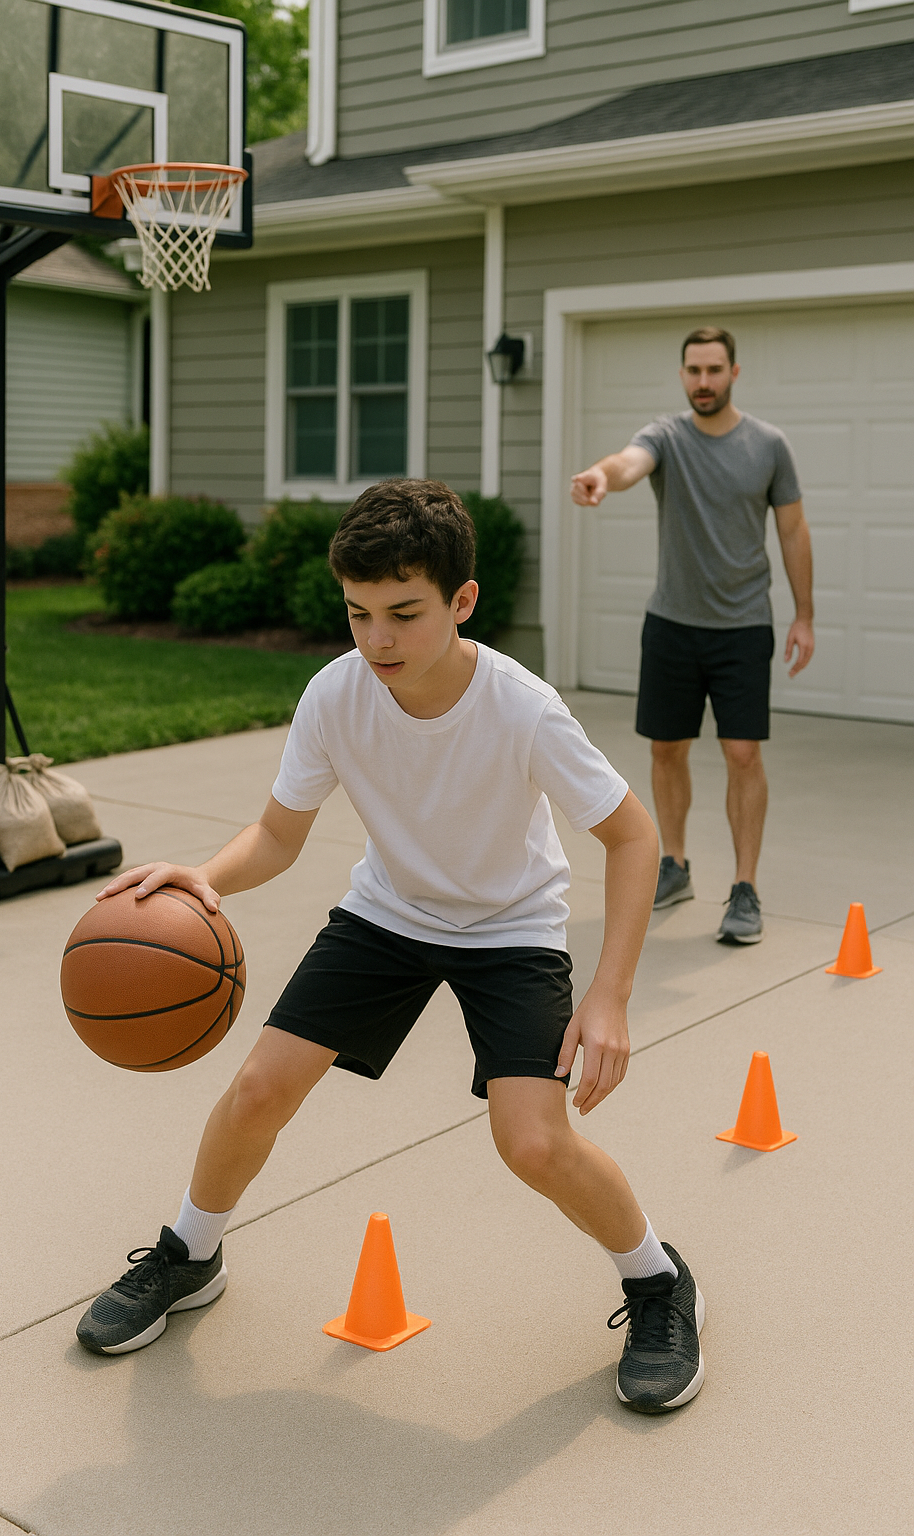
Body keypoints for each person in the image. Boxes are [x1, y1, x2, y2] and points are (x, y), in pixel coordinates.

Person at [76, 479, 705, 1415]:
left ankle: (659, 1283)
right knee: (257, 1090)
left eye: (404, 614)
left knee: (531, 1142)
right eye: (358, 613)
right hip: (390, 914)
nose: (378, 640)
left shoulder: (522, 709)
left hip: (511, 927)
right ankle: (189, 1252)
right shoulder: (336, 694)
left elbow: (632, 837)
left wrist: (607, 995)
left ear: (462, 602)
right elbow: (279, 835)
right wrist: (207, 878)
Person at [570, 326, 815, 943]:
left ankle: (745, 888)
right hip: (673, 624)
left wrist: (804, 615)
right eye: (693, 371)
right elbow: (630, 463)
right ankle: (674, 865)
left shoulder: (769, 445)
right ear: (682, 375)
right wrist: (601, 474)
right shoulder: (668, 436)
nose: (702, 381)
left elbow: (792, 531)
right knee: (665, 749)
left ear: (735, 371)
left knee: (742, 754)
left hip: (742, 626)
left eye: (713, 370)